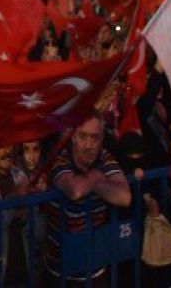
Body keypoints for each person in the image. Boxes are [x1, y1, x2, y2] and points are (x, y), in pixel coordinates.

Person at [45, 114, 131, 286]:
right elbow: (74, 190)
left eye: (95, 138)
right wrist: (97, 176)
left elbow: (124, 197)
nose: (89, 145)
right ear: (73, 137)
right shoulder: (59, 159)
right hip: (61, 270)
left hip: (95, 267)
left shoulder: (105, 157)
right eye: (83, 136)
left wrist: (90, 183)